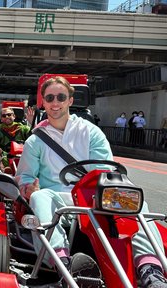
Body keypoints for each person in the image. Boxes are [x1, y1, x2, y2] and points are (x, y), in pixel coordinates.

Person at [15, 76, 167, 287]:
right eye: (50, 98)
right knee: (40, 196)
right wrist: (28, 187)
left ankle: (151, 271)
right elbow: (25, 177)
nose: (55, 102)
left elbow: (105, 169)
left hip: (93, 197)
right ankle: (63, 264)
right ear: (43, 102)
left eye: (61, 97)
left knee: (132, 200)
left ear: (70, 100)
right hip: (59, 199)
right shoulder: (35, 140)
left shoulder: (90, 132)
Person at [0, 107, 30, 174]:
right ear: (1, 119)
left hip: (23, 156)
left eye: (9, 114)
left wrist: (32, 122)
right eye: (4, 116)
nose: (7, 117)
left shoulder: (24, 129)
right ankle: (2, 172)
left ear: (14, 116)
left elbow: (35, 137)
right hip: (5, 156)